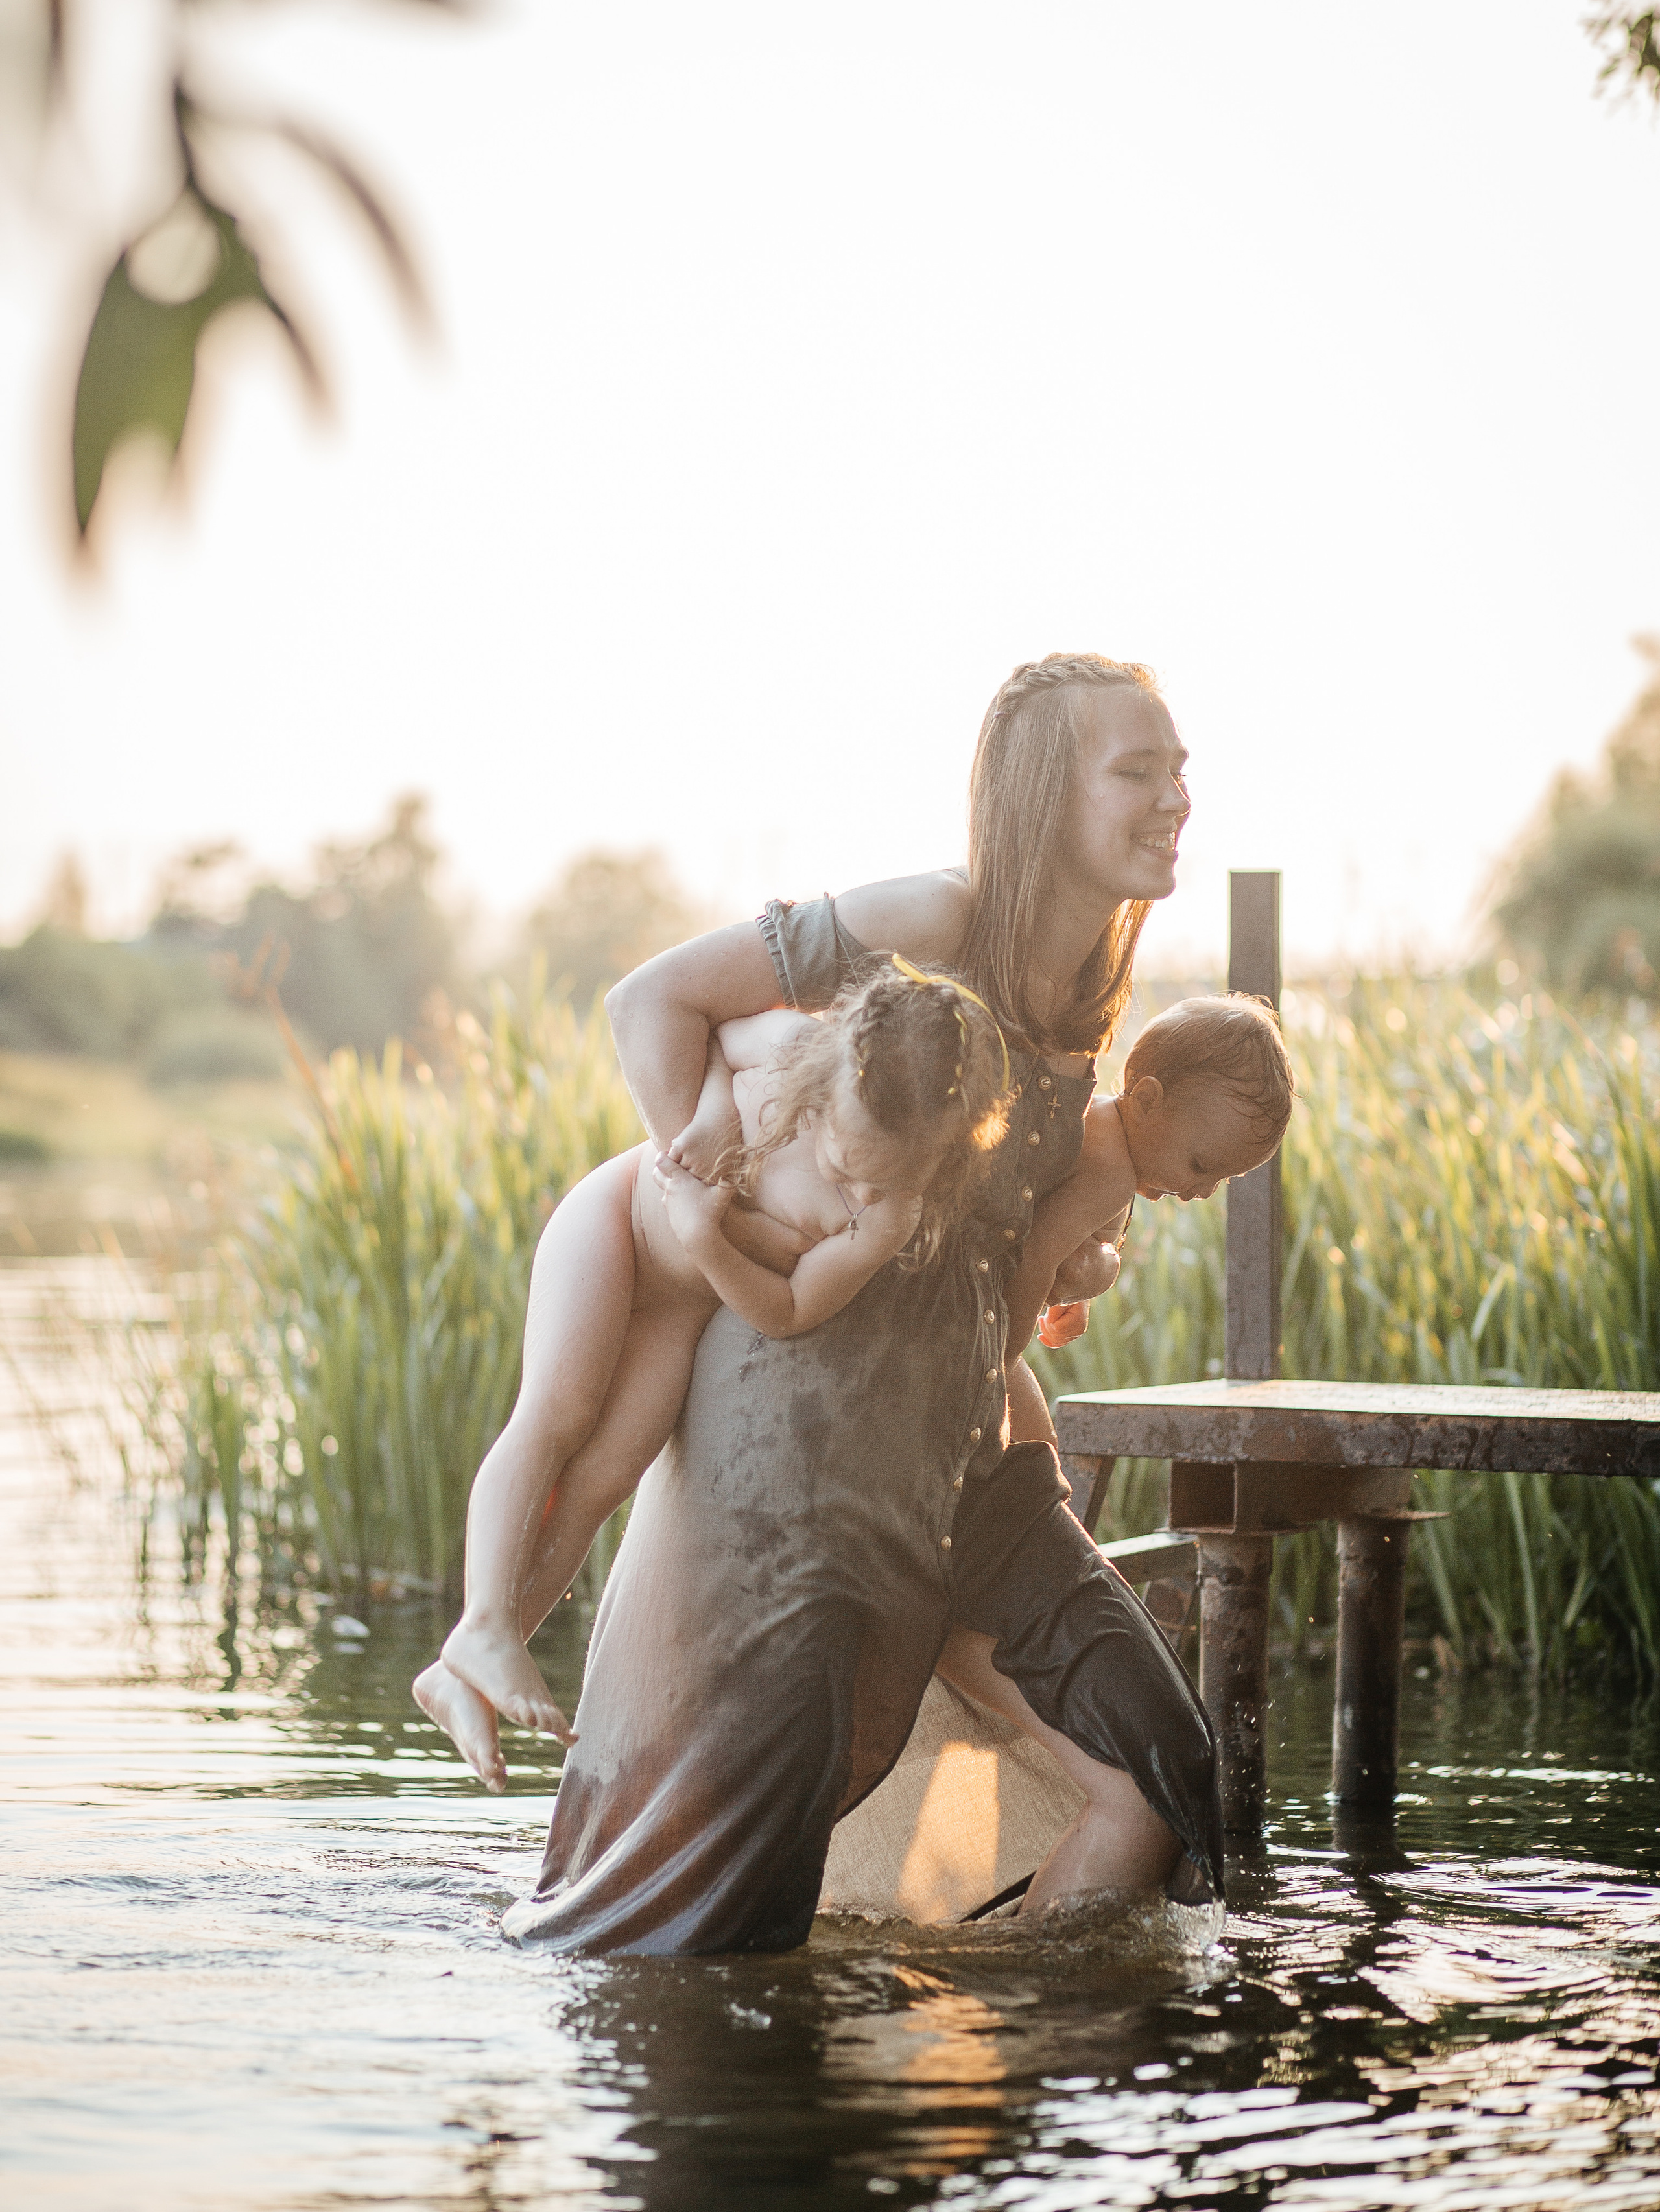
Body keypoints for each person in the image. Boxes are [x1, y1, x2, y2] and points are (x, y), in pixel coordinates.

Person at [504, 652, 1228, 1955]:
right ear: (1035, 795)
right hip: (797, 1450)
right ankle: (772, 2103)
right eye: (1136, 769)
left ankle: (1000, 2065)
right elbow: (650, 997)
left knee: (1167, 1768)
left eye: (1178, 767)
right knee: (725, 1874)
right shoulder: (934, 920)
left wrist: (1078, 1260)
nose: (1174, 794)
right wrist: (707, 1184)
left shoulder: (1089, 997)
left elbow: (995, 1215)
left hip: (960, 1457)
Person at [416, 961, 1013, 1791]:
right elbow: (714, 1042)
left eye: (891, 1179)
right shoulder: (797, 1047)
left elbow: (789, 1309)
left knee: (600, 1481)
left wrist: (704, 1240)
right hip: (618, 1220)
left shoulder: (885, 1217)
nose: (862, 1188)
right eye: (847, 1165)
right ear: (829, 1079)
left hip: (679, 1306)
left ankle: (460, 1672)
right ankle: (484, 1622)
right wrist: (702, 1121)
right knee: (557, 1413)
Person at [1012, 993, 1294, 1359]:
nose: (1206, 1192)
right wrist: (1003, 1359)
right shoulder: (1112, 1174)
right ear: (1146, 1101)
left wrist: (1075, 1297)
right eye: (1201, 1166)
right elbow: (1034, 1260)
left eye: (1224, 1179)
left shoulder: (1098, 1122)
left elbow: (1057, 1232)